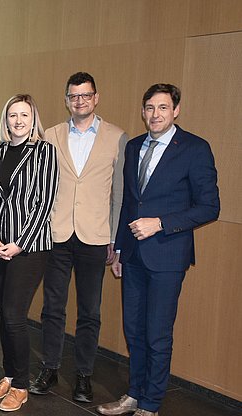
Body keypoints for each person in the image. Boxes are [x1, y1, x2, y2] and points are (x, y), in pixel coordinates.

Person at [97, 84, 219, 416]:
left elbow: (209, 207)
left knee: (157, 333)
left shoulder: (195, 148)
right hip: (133, 255)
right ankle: (134, 394)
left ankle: (150, 403)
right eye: (149, 108)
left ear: (176, 110)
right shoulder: (135, 146)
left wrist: (160, 222)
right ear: (143, 111)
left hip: (167, 255)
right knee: (134, 330)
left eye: (163, 108)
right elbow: (127, 203)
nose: (155, 114)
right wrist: (119, 249)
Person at [31, 72, 128, 402]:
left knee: (90, 311)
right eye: (74, 96)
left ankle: (84, 375)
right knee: (52, 307)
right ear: (66, 100)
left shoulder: (117, 137)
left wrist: (116, 238)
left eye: (86, 95)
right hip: (57, 234)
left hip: (96, 236)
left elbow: (119, 195)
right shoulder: (52, 135)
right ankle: (50, 367)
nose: (80, 101)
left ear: (96, 98)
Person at [0, 94, 58, 412]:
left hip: (30, 247)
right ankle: (9, 376)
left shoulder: (44, 152)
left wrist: (20, 242)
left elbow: (45, 202)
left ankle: (22, 385)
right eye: (13, 114)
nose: (18, 120)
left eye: (24, 114)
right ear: (6, 119)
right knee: (4, 314)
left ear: (33, 118)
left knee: (14, 314)